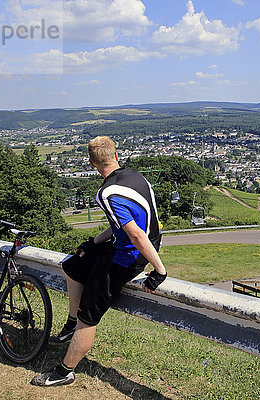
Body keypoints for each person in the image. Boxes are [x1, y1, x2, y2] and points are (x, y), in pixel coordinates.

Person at [31, 136, 167, 387]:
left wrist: (159, 271)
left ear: (92, 163)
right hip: (135, 244)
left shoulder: (106, 193)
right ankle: (71, 322)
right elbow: (121, 225)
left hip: (128, 257)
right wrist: (93, 243)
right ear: (116, 156)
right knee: (72, 265)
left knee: (89, 315)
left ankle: (65, 372)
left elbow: (135, 234)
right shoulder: (137, 177)